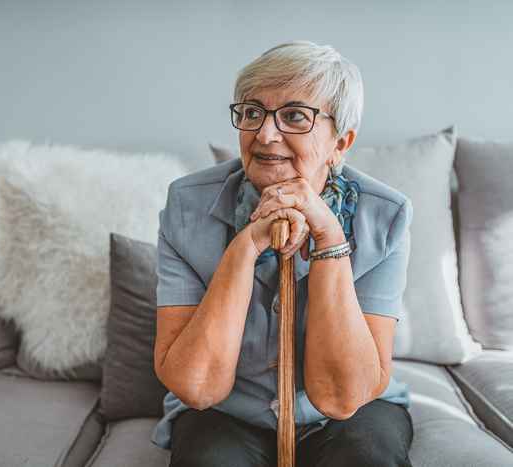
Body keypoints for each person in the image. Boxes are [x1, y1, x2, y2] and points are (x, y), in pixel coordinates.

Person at [151, 40, 414, 467]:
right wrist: (247, 245)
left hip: (353, 415)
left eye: (294, 116)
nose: (265, 134)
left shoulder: (386, 215)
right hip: (228, 411)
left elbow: (341, 397)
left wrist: (329, 236)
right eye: (252, 112)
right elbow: (196, 387)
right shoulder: (187, 204)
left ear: (340, 142)